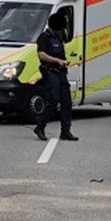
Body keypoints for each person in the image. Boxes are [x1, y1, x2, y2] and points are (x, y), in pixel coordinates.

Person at [33, 12, 78, 142]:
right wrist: (56, 60)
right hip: (50, 72)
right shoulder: (44, 37)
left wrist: (64, 62)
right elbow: (41, 54)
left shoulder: (58, 36)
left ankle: (65, 131)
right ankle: (40, 127)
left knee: (66, 101)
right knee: (53, 100)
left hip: (61, 72)